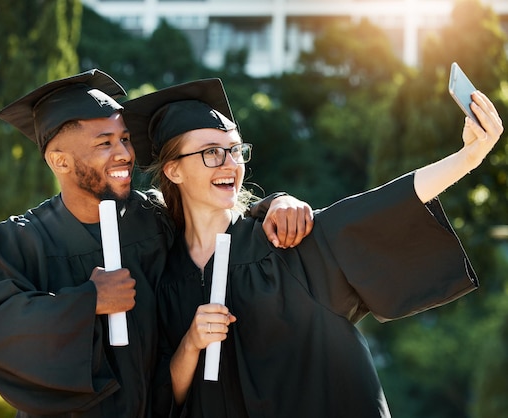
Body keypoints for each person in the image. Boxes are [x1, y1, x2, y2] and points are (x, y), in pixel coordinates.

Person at [121, 77, 504, 418]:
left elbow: (379, 206)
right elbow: (163, 398)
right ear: (173, 170)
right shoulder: (164, 276)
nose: (230, 164)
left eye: (235, 150)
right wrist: (191, 343)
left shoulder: (286, 241)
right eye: (211, 152)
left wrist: (468, 158)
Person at [0, 69, 314, 418]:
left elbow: (216, 211)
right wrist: (88, 301)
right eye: (105, 143)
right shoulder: (25, 239)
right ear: (59, 160)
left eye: (125, 139)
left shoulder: (154, 217)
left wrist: (275, 203)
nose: (124, 153)